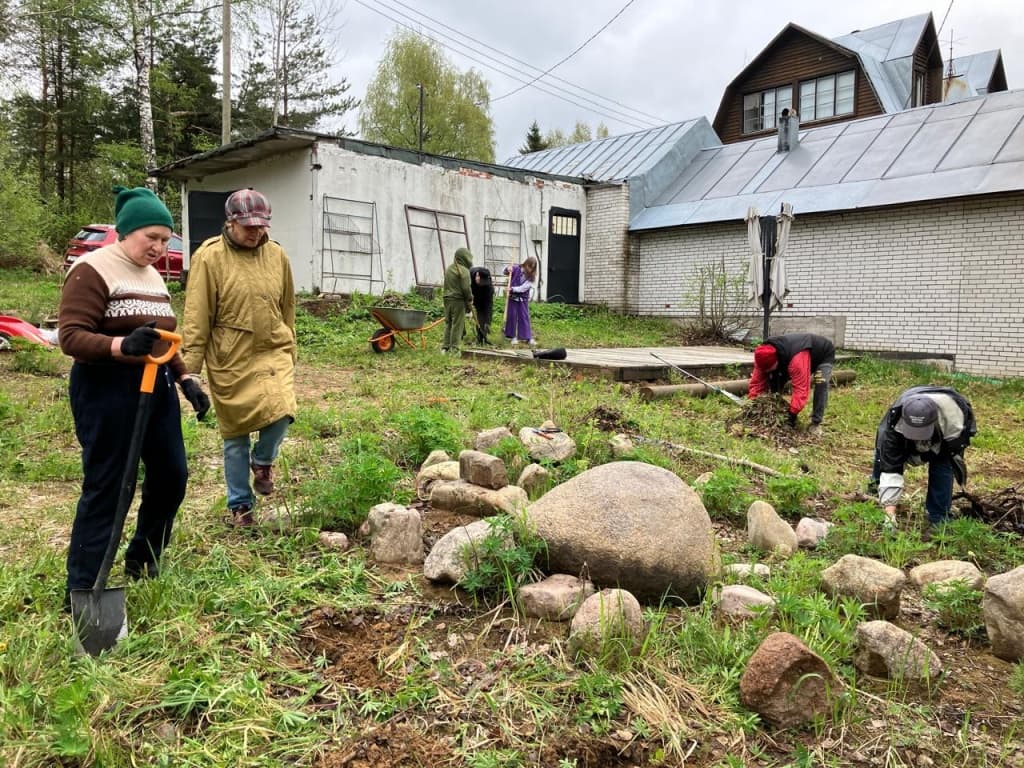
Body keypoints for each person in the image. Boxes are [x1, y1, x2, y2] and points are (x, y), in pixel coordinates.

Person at [58, 186, 210, 607]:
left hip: (154, 386)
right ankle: (84, 586)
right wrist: (120, 345)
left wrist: (186, 380)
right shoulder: (93, 269)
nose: (160, 248)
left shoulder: (155, 276)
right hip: (106, 389)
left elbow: (160, 339)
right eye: (152, 238)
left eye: (166, 240)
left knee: (171, 476)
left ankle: (143, 560)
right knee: (110, 485)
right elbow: (70, 337)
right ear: (126, 233)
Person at [182, 189, 297, 527]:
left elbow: (288, 305)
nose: (256, 232)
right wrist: (192, 371)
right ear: (229, 223)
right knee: (235, 435)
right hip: (230, 356)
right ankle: (240, 506)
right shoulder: (209, 257)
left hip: (273, 349)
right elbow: (196, 314)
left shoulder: (277, 256)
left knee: (283, 410)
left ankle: (262, 461)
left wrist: (291, 346)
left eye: (261, 226)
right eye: (248, 227)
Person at [870, 386, 975, 533]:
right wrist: (890, 514)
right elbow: (891, 467)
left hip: (946, 434)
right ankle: (873, 491)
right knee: (883, 455)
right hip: (904, 416)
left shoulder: (954, 419)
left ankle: (938, 517)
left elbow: (949, 453)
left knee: (943, 466)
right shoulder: (896, 422)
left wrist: (925, 455)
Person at [749, 333, 835, 433]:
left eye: (769, 368)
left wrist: (791, 415)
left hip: (822, 353)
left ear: (776, 360)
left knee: (821, 383)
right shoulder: (762, 356)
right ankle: (777, 410)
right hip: (791, 356)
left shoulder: (796, 361)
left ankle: (816, 422)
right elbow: (757, 383)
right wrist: (754, 404)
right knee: (775, 380)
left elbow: (800, 390)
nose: (767, 371)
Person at [441, 247, 474, 354]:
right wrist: (470, 298)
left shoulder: (449, 268)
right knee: (457, 324)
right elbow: (466, 288)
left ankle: (445, 348)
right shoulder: (465, 271)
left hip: (447, 299)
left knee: (448, 323)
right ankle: (454, 349)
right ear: (466, 258)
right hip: (458, 300)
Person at [503, 256, 538, 346]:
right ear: (526, 264)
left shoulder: (531, 277)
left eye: (532, 268)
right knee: (512, 317)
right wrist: (508, 269)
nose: (530, 269)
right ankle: (512, 336)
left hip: (523, 299)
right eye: (529, 266)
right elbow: (504, 271)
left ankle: (527, 337)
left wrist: (511, 289)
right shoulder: (516, 268)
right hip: (512, 299)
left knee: (524, 317)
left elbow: (522, 288)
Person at [469, 265, 494, 345]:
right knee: (479, 317)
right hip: (474, 296)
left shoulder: (488, 285)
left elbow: (489, 304)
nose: (481, 285)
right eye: (480, 283)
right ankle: (478, 336)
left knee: (485, 318)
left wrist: (488, 320)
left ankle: (483, 335)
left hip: (485, 298)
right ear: (477, 276)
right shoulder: (469, 276)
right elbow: (466, 290)